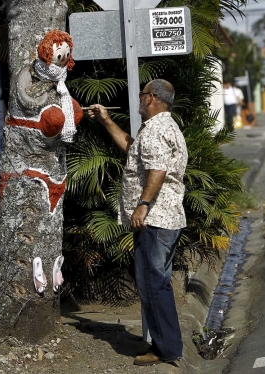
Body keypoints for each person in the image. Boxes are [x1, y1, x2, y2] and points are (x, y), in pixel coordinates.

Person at [87, 79, 188, 366]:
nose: (139, 99)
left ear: (152, 98)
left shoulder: (157, 129)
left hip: (155, 219)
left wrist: (142, 205)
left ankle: (166, 348)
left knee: (153, 284)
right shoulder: (163, 127)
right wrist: (106, 122)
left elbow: (157, 169)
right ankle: (166, 344)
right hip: (165, 218)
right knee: (156, 283)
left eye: (142, 94)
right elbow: (135, 153)